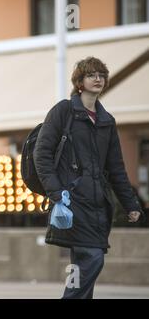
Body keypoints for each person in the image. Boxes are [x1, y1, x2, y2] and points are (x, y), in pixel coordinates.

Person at [34, 57, 143, 299]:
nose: (98, 79)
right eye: (91, 75)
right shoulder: (63, 111)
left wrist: (130, 204)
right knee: (91, 259)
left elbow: (116, 168)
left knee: (85, 263)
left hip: (98, 206)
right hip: (71, 202)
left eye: (101, 75)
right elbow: (41, 155)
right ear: (79, 82)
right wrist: (56, 192)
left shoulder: (107, 121)